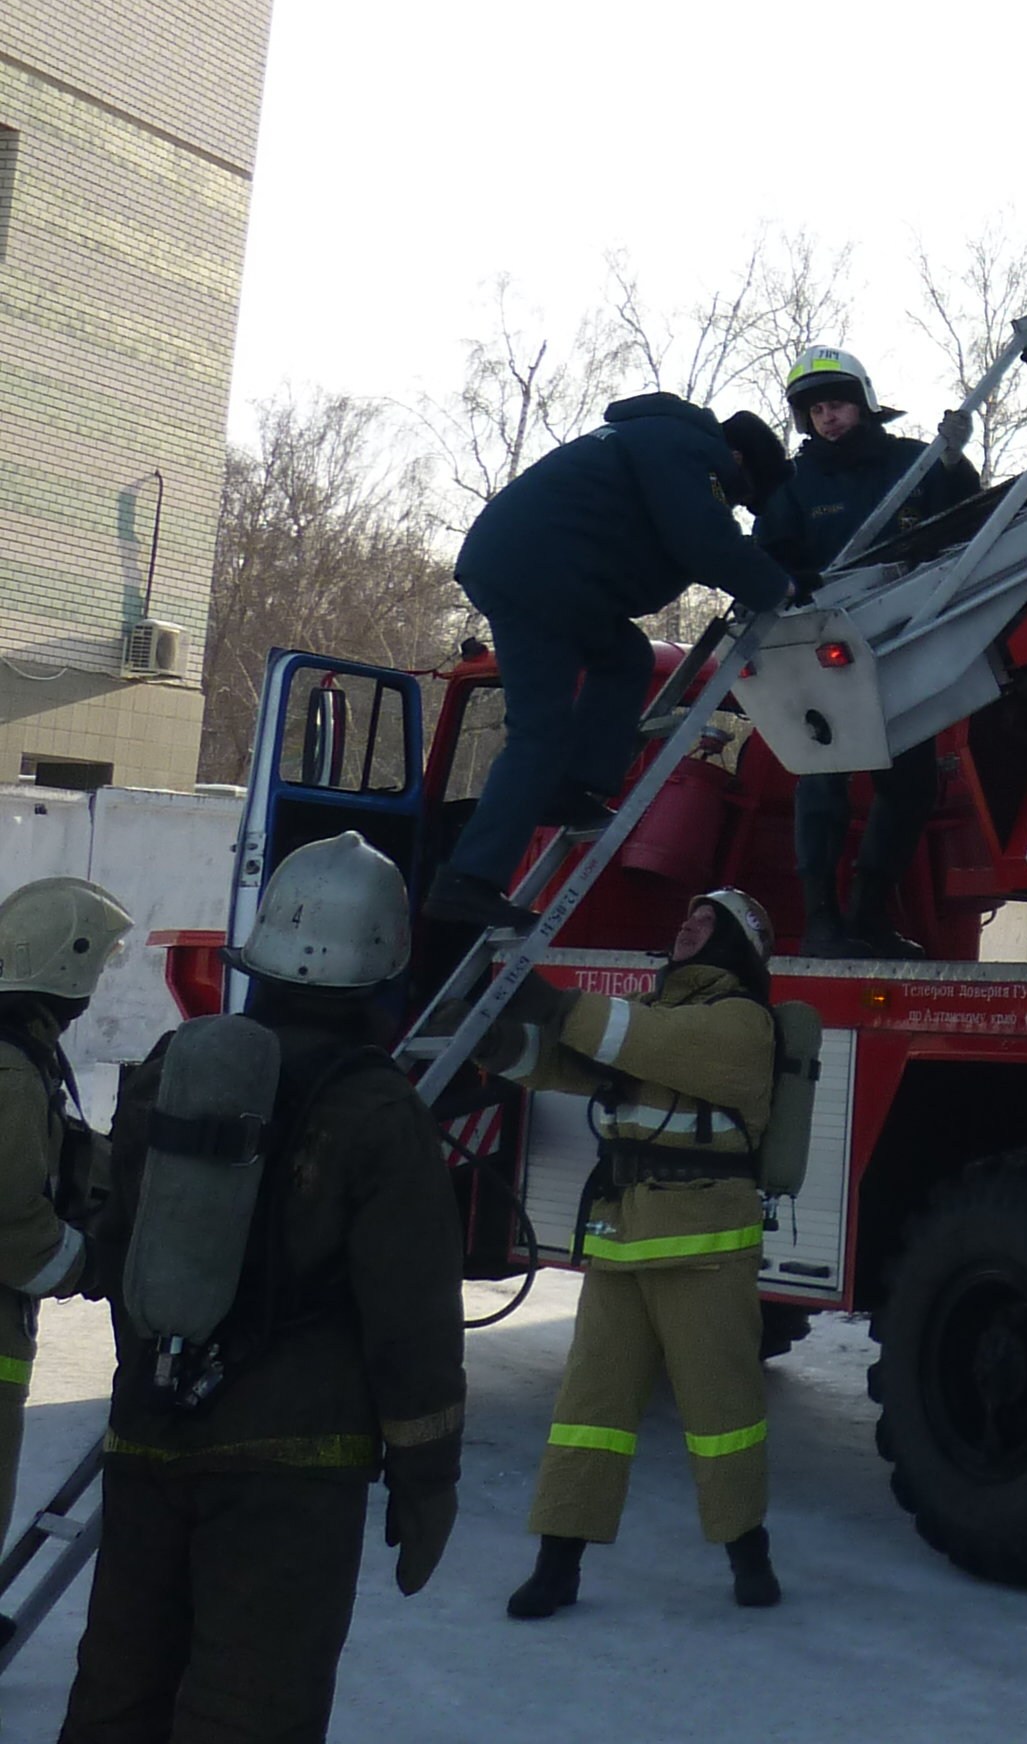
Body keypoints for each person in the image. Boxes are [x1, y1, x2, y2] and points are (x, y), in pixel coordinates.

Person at [62, 834, 465, 1744]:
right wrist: (427, 1477)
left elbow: (122, 1240)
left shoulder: (173, 1066)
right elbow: (414, 1321)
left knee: (118, 1692)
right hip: (295, 1468)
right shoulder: (379, 1110)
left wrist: (154, 1392)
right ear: (384, 963)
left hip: (150, 1436)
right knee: (252, 1707)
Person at [481, 886, 781, 1618]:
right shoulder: (658, 1018)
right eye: (687, 913)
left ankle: (748, 1552)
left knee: (724, 1414)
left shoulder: (742, 1024)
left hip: (704, 1251)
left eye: (706, 920)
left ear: (734, 946)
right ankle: (557, 1563)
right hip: (623, 1242)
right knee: (589, 1411)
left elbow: (636, 1042)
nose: (687, 923)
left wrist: (552, 1001)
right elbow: (569, 1066)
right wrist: (494, 1035)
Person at [427, 392, 798, 931]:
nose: (734, 505)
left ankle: (573, 787)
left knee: (624, 657)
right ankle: (469, 882)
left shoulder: (658, 441)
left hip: (552, 575)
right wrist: (777, 585)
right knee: (540, 731)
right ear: (738, 460)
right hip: (539, 578)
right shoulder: (689, 450)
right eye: (740, 498)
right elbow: (703, 538)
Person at [754, 349, 981, 957]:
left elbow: (968, 517)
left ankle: (870, 917)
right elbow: (769, 555)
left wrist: (955, 463)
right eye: (818, 409)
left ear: (864, 402)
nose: (829, 418)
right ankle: (822, 920)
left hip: (906, 641)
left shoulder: (915, 463)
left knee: (910, 787)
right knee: (822, 780)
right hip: (823, 647)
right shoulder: (795, 486)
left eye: (839, 404)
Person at [0, 878, 126, 1515]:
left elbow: (59, 1153)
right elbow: (9, 1218)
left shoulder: (20, 1060)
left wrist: (134, 1169)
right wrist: (91, 1264)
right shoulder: (10, 1073)